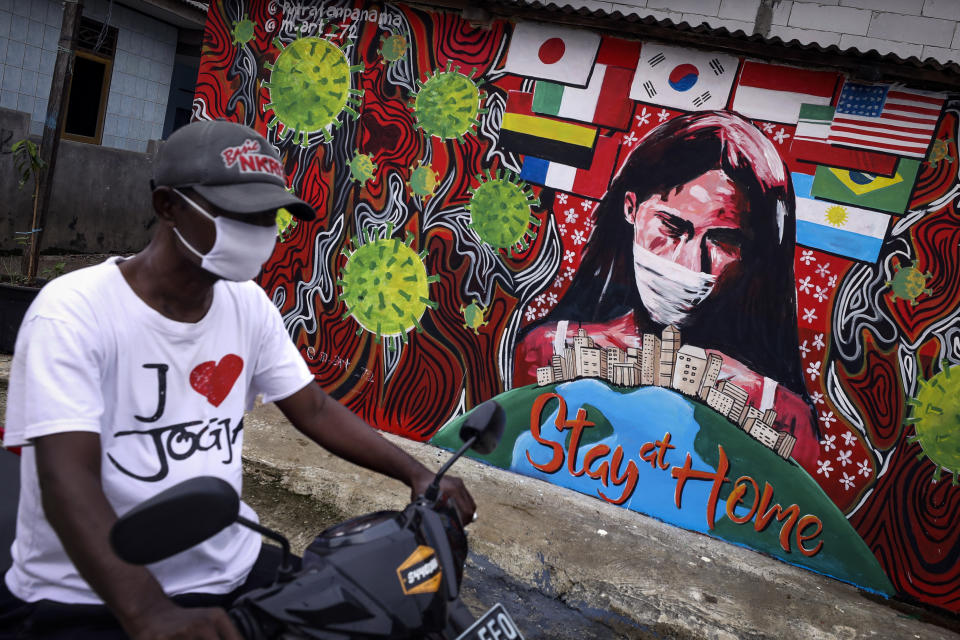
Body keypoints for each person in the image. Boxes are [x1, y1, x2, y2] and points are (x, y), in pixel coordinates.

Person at [0, 120, 475, 639]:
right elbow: (65, 478)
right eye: (239, 213)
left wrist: (416, 473)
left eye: (267, 216)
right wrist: (146, 611)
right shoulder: (72, 313)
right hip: (89, 591)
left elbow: (312, 407)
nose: (258, 231)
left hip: (232, 564)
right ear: (167, 206)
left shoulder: (246, 303)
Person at [516, 111, 818, 467]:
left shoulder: (783, 414)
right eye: (672, 226)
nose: (690, 265)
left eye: (722, 241)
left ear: (751, 255)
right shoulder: (546, 349)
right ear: (631, 208)